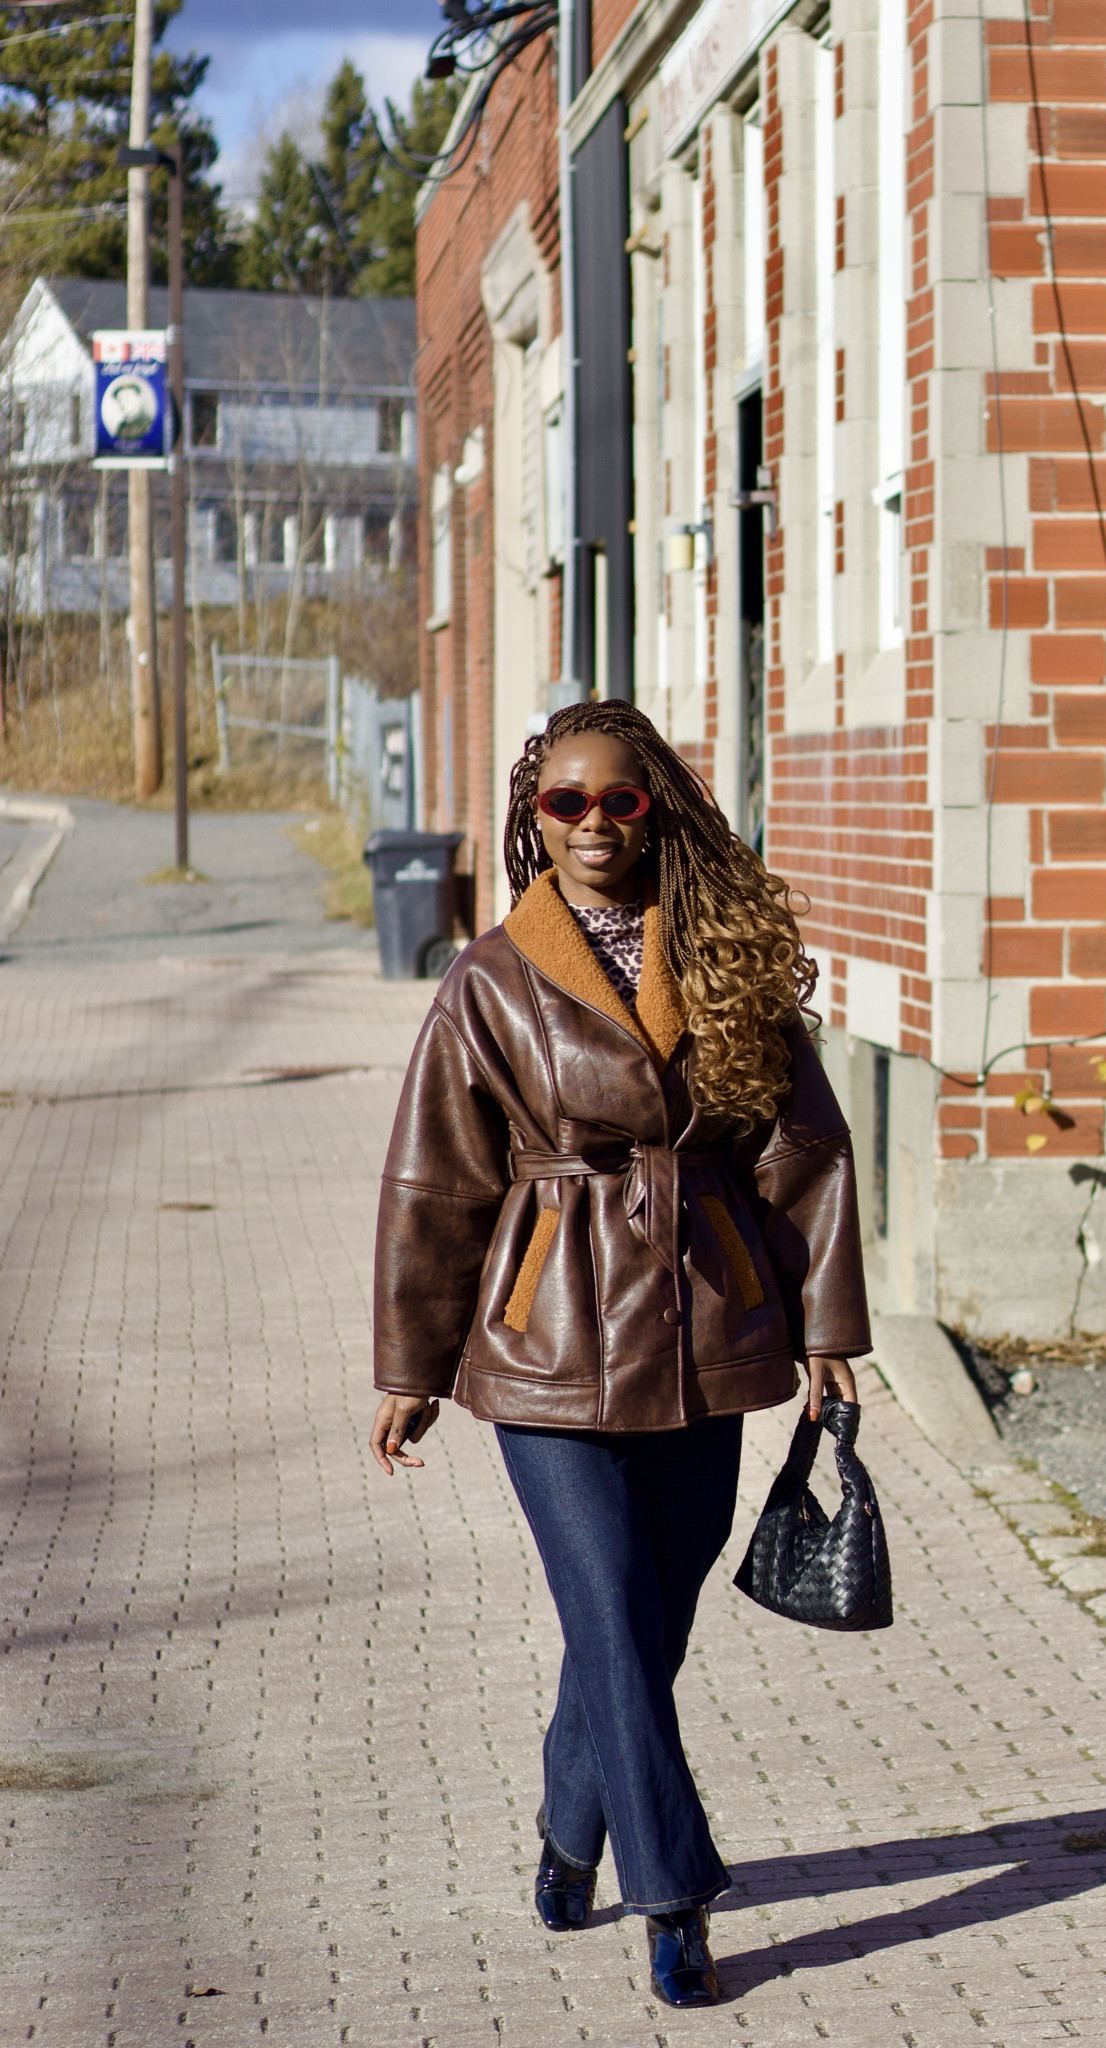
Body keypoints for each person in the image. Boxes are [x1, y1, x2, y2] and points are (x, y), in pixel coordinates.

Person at [366, 702, 870, 2008]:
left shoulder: (728, 955)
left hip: (709, 1334)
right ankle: (674, 1896)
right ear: (535, 820)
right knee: (608, 1605)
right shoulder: (487, 976)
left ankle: (568, 1826)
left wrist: (827, 1331)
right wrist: (411, 1366)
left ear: (660, 811)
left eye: (620, 801)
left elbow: (800, 1153)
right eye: (566, 804)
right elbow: (436, 1182)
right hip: (544, 1351)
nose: (594, 825)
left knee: (644, 1627)